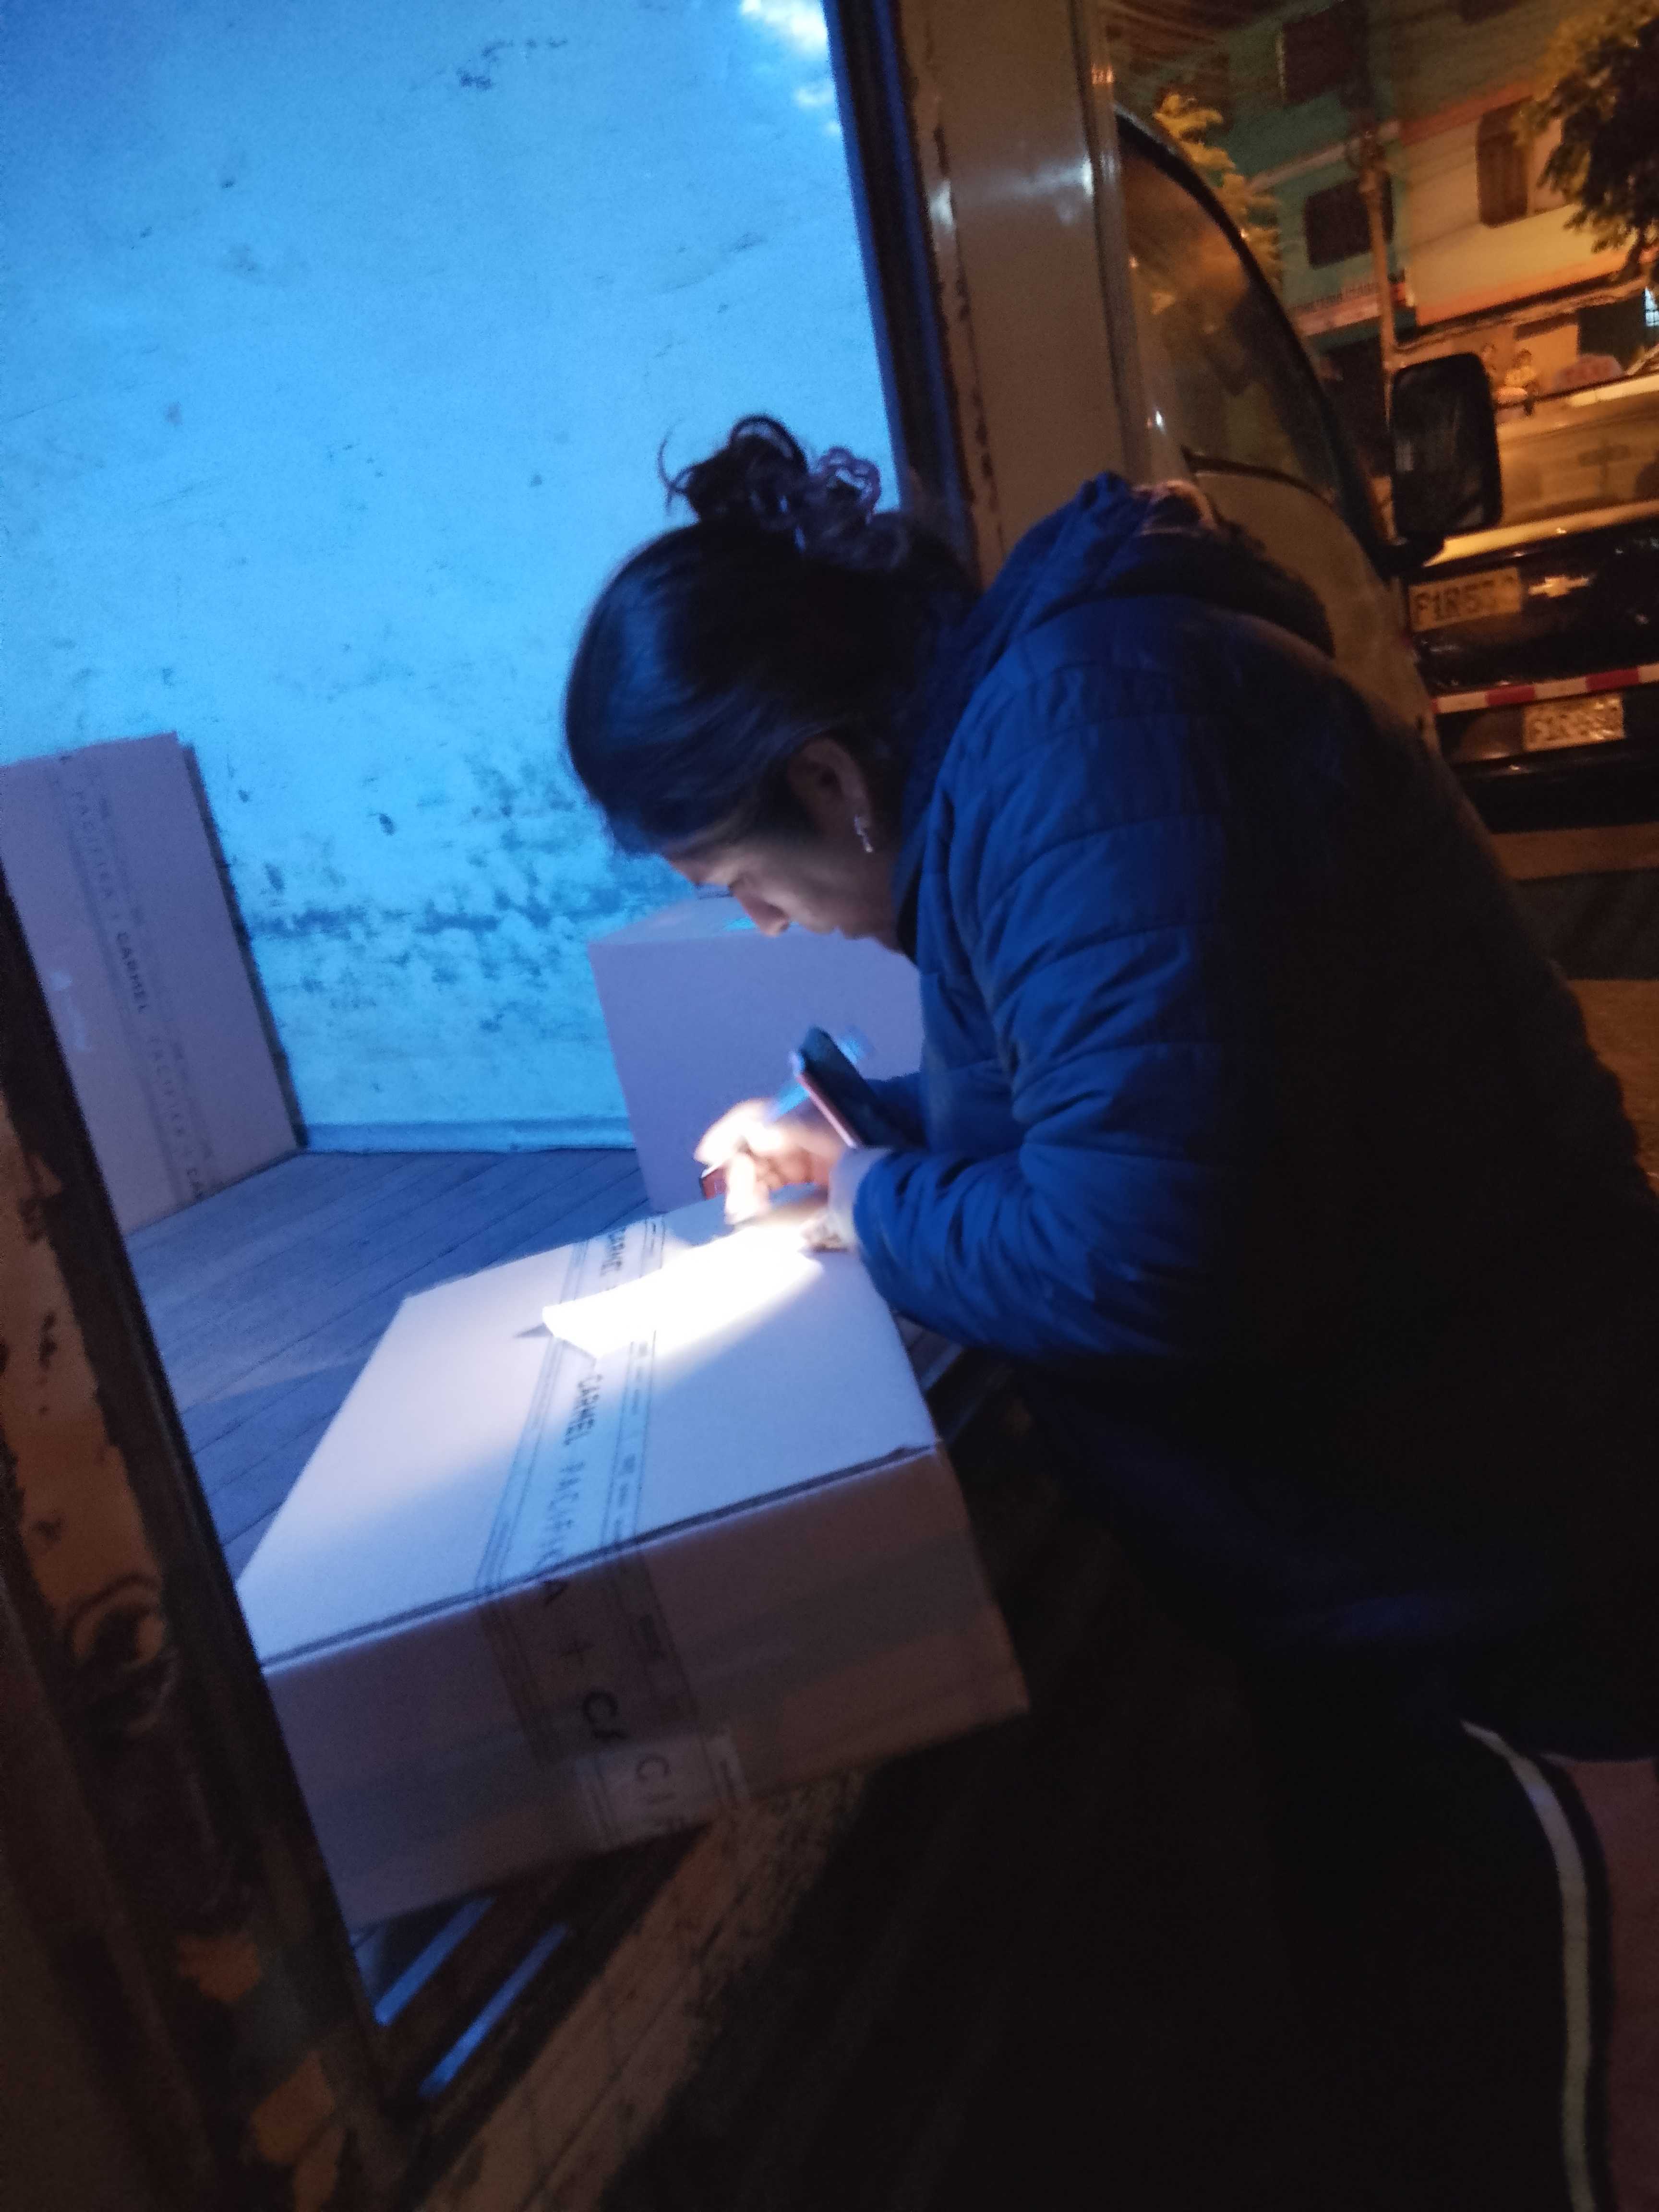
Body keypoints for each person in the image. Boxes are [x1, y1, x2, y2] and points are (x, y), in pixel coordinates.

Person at [566, 416, 1659, 2210]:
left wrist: (868, 1199)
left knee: (1558, 2100)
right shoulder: (1043, 744)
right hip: (1397, 1554)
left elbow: (1148, 1251)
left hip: (1503, 1567)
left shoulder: (1093, 742)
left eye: (740, 883)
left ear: (832, 782)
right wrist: (869, 1131)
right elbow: (1155, 1097)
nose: (764, 927)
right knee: (1430, 2067)